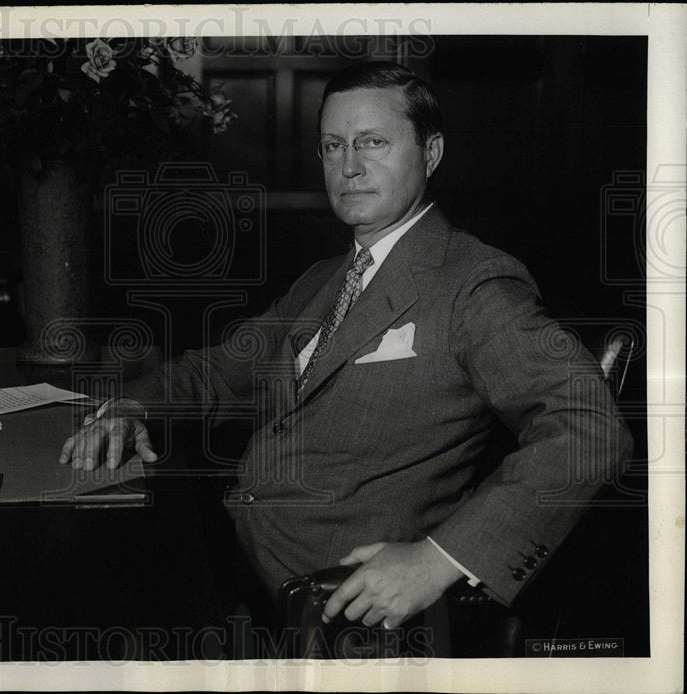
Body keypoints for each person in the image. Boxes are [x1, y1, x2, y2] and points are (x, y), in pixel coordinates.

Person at [58, 61, 632, 634]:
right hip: (236, 565)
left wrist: (438, 559)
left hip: (339, 609)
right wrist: (132, 407)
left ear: (430, 154)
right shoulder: (324, 279)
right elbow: (216, 372)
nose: (350, 167)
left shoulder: (475, 284)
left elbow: (589, 429)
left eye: (373, 143)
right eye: (334, 146)